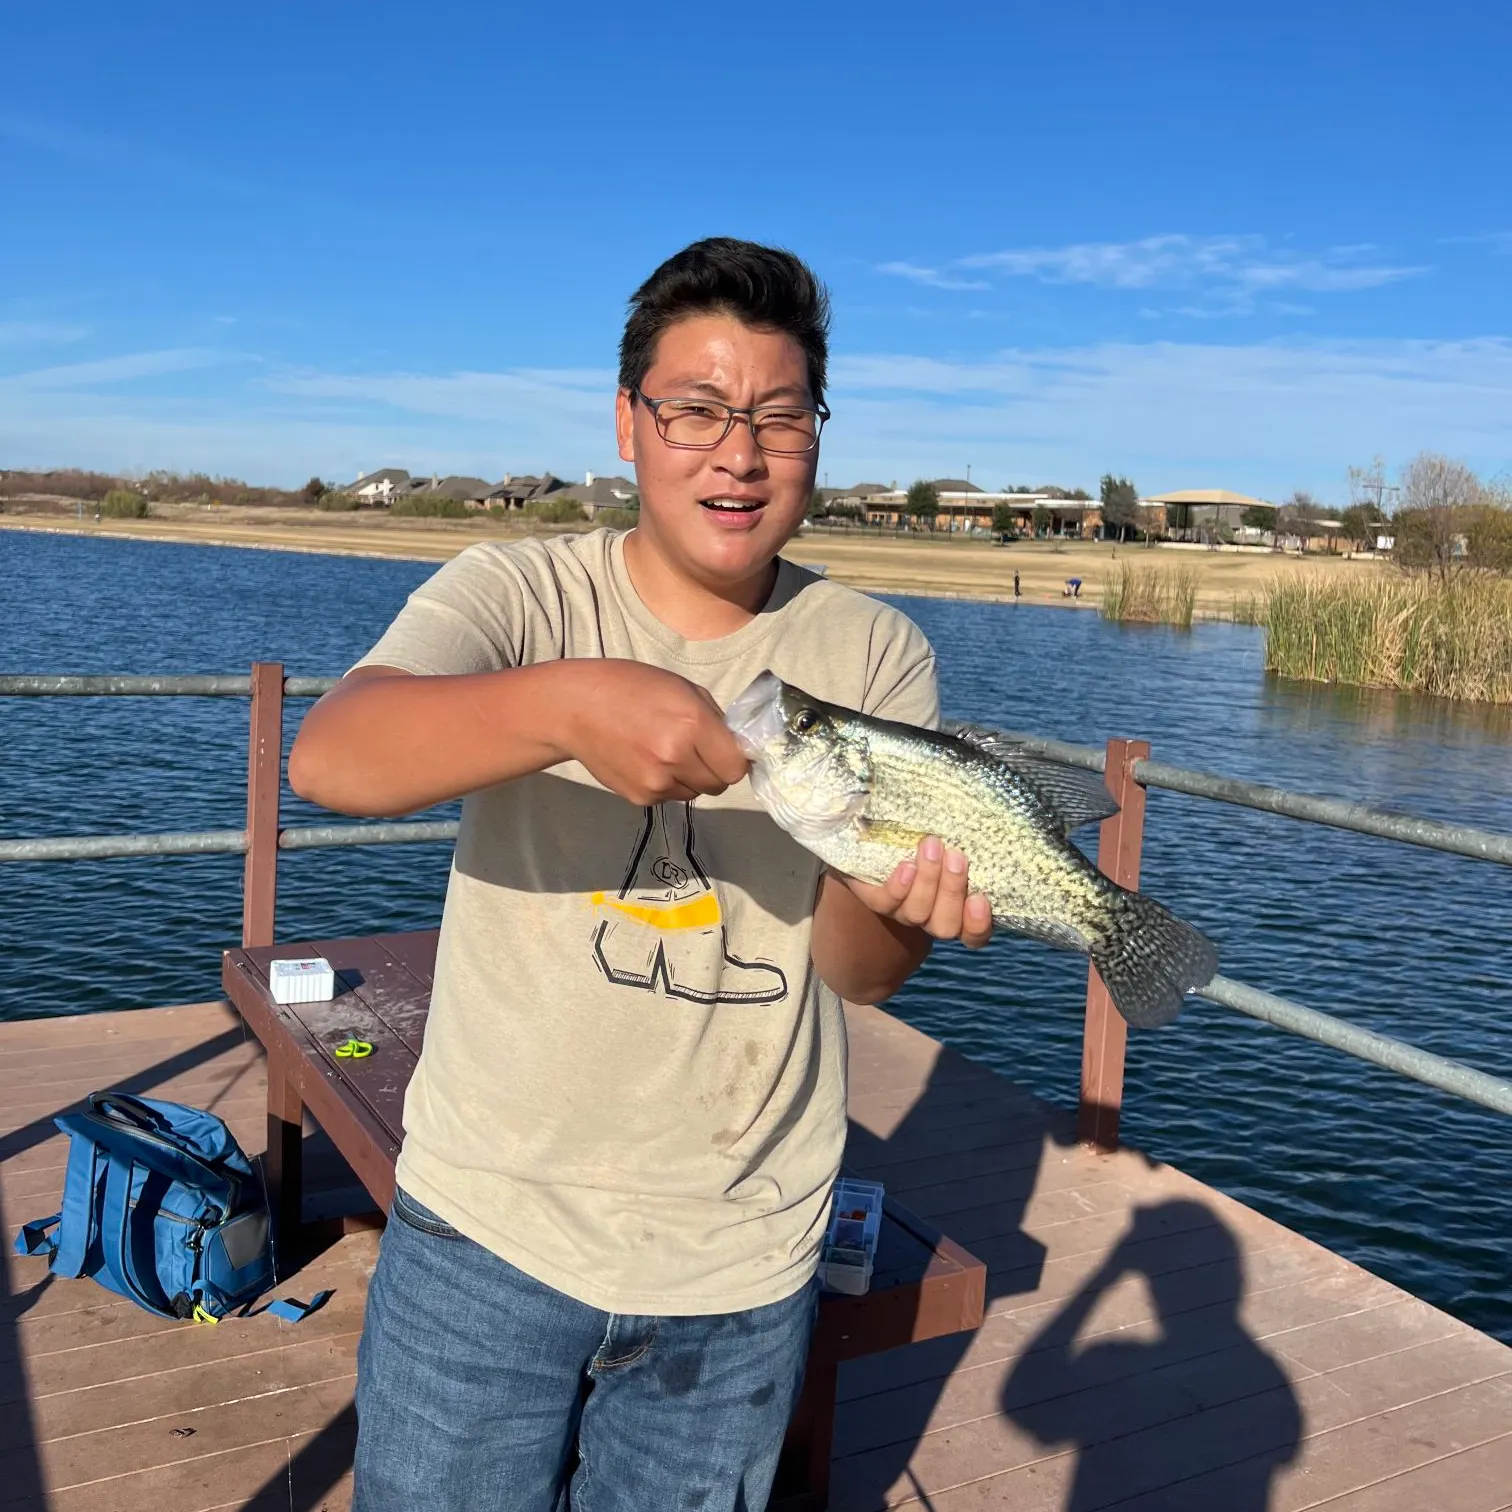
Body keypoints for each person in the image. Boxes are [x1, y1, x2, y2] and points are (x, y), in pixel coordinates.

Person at [288, 237, 993, 1512]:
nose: (741, 453)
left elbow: (862, 974)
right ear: (628, 423)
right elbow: (333, 755)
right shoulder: (519, 591)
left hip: (742, 1254)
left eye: (781, 416)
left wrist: (898, 904)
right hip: (483, 1227)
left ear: (817, 435)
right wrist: (564, 705)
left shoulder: (875, 651)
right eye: (697, 410)